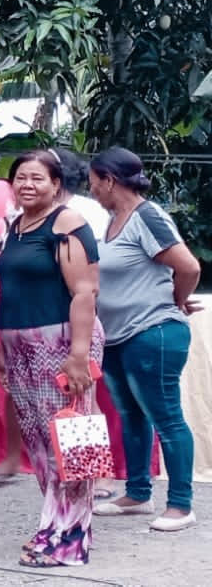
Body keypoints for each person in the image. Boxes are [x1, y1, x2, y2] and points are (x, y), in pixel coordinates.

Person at [0, 150, 103, 567]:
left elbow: (84, 292)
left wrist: (78, 355)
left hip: (62, 344)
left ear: (56, 184)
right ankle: (56, 523)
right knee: (41, 443)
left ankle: (72, 537)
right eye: (20, 177)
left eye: (37, 178)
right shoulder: (17, 226)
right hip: (22, 348)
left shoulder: (68, 224)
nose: (27, 185)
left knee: (72, 441)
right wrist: (5, 352)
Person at [89, 148, 200, 532]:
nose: (92, 192)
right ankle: (137, 493)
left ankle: (181, 505)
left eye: (94, 184)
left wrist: (177, 301)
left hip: (152, 333)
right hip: (119, 337)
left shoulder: (146, 216)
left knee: (167, 418)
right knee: (132, 416)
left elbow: (188, 266)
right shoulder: (112, 221)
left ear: (110, 181)